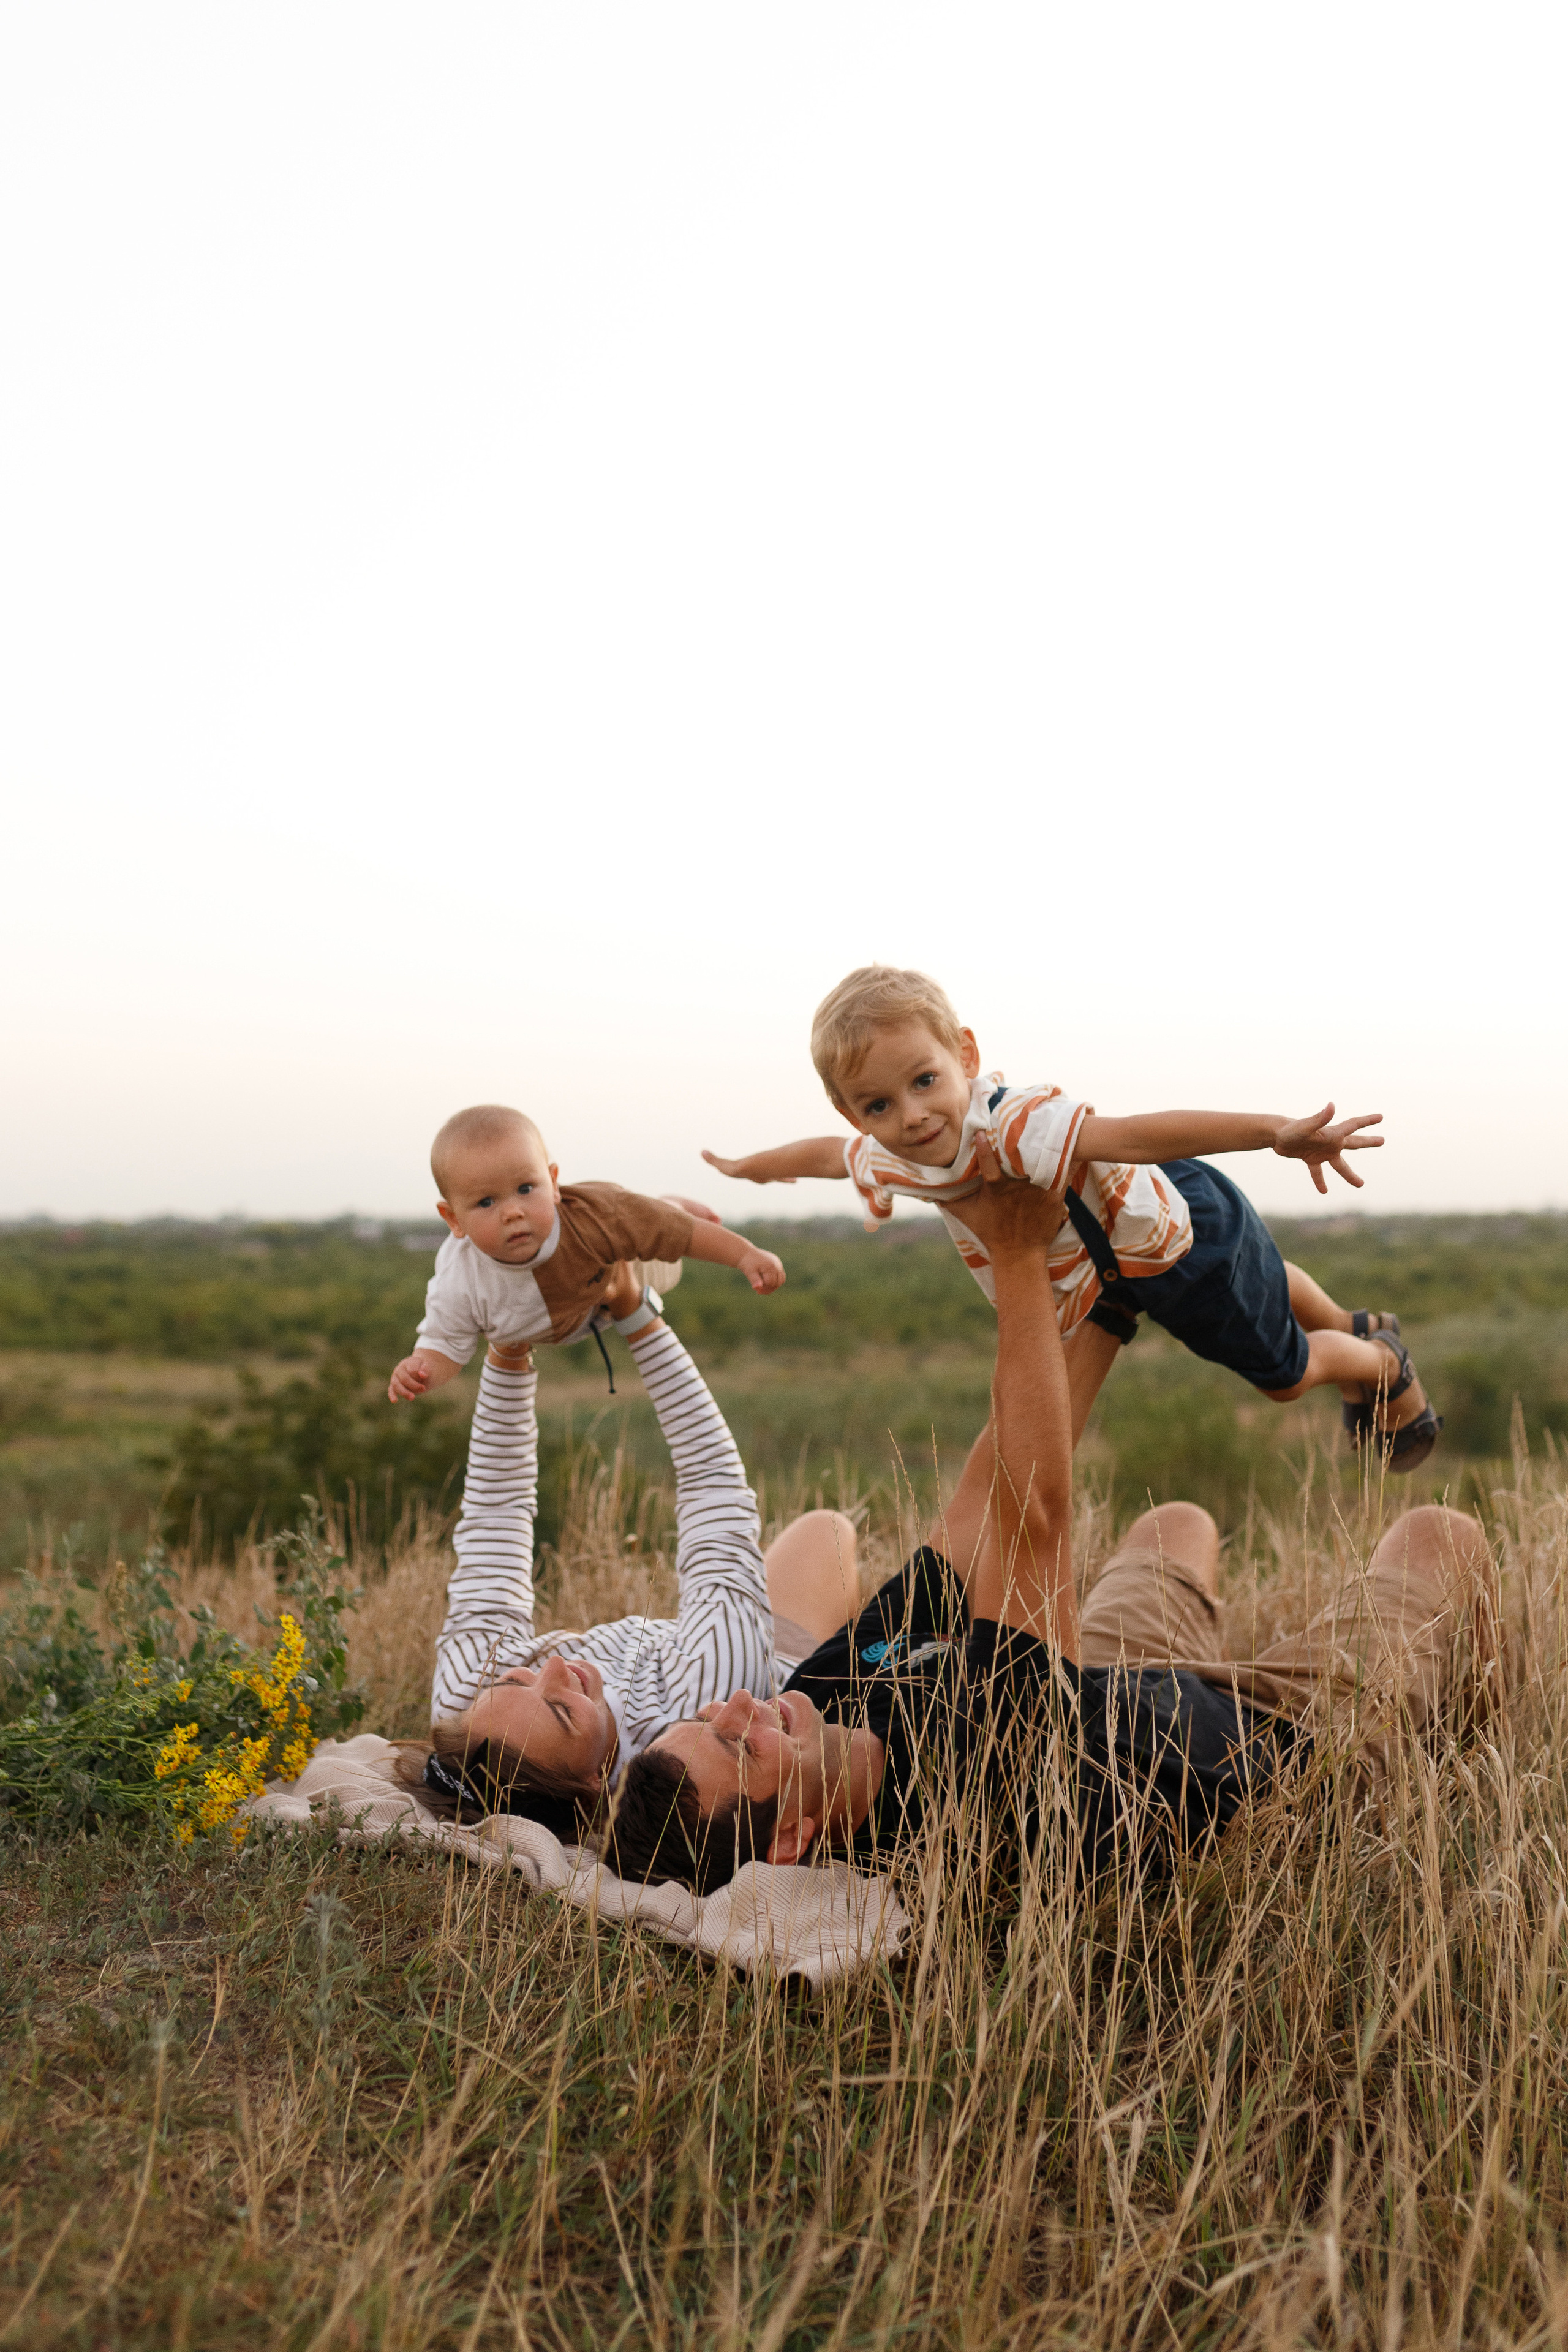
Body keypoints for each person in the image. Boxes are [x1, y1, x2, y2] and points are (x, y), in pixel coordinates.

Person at [607, 1147, 1492, 1895]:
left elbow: (970, 1521)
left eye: (714, 1718)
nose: (739, 1708)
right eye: (740, 1747)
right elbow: (1034, 1513)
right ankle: (1459, 1744)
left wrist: (1106, 1297)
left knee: (1173, 1525)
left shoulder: (823, 1699)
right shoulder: (969, 1786)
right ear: (791, 1842)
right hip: (1277, 1746)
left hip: (1111, 1687)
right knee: (1438, 1538)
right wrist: (1024, 1259)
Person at [703, 963, 1440, 1471]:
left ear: (964, 1054)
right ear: (852, 1109)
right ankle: (1353, 1320)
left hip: (1179, 1250)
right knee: (1263, 1276)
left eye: (925, 1080)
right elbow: (827, 1156)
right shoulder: (893, 1154)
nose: (913, 1115)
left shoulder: (1017, 1126)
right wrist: (747, 1169)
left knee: (1281, 1376)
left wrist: (1272, 1131)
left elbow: (1136, 1136)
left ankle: (1376, 1362)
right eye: (878, 1105)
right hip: (1146, 1225)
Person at [410, 1259, 860, 1841]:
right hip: (782, 1678)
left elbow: (495, 1518)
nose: (554, 1669)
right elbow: (714, 1494)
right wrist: (637, 1316)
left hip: (699, 1642)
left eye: (516, 1681)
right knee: (828, 1532)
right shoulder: (700, 1698)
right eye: (564, 1710)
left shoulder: (467, 1694)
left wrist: (508, 1357)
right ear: (600, 1779)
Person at [388, 1102, 785, 1405]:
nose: (513, 1211)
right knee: (651, 1226)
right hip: (548, 1323)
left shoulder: (594, 1216)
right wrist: (420, 1370)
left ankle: (670, 1202)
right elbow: (445, 1342)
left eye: (527, 1189)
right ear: (453, 1219)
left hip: (612, 1272)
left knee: (666, 1251)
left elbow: (683, 1236)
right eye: (487, 1202)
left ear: (554, 1182)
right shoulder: (460, 1278)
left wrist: (744, 1255)